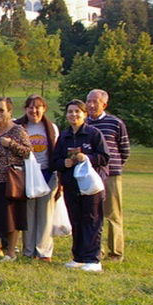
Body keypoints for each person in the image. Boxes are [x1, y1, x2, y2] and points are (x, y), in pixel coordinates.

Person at [53, 99, 110, 272]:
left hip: (91, 186)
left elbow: (104, 157)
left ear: (85, 114)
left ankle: (93, 259)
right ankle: (78, 257)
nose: (73, 115)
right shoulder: (64, 136)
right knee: (76, 221)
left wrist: (88, 158)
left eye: (77, 111)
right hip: (71, 186)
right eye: (70, 111)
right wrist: (65, 163)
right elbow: (55, 161)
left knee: (92, 220)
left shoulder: (93, 134)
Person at [0, 97, 32, 262]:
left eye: (1, 110)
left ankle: (11, 252)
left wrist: (10, 144)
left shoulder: (17, 130)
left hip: (9, 181)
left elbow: (28, 152)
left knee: (10, 217)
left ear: (10, 112)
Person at [86, 89, 130, 262]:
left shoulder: (115, 123)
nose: (90, 105)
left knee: (112, 213)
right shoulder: (84, 124)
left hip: (111, 174)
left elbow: (124, 150)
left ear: (104, 104)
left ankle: (116, 252)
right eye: (88, 101)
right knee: (93, 214)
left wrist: (113, 167)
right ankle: (98, 250)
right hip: (90, 175)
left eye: (95, 101)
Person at [15, 94, 59, 261]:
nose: (34, 110)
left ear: (44, 108)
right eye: (30, 107)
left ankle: (43, 251)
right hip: (26, 174)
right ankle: (28, 250)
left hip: (47, 173)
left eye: (37, 107)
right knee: (28, 213)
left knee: (45, 214)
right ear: (25, 109)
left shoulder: (51, 128)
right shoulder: (19, 127)